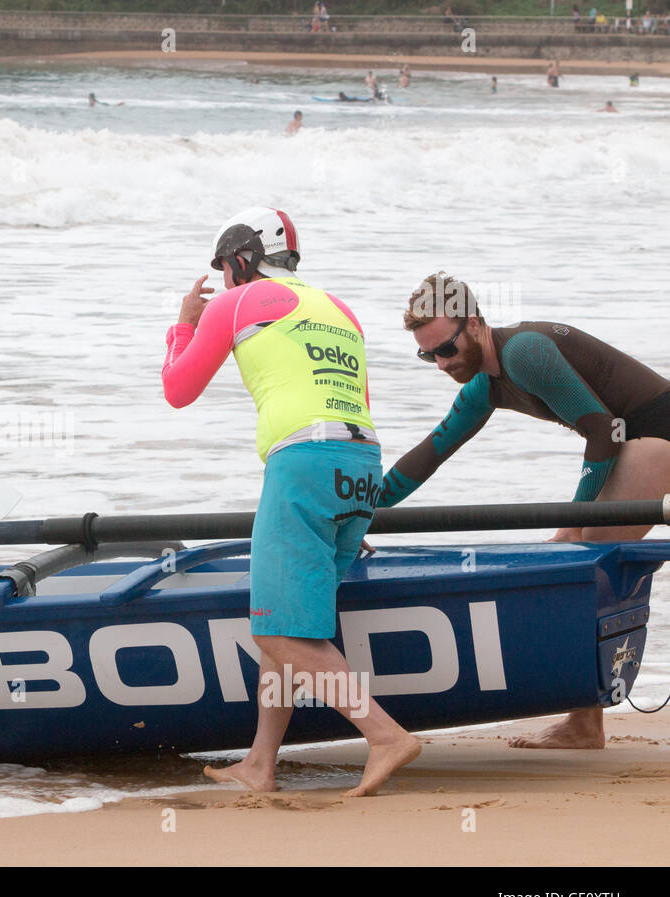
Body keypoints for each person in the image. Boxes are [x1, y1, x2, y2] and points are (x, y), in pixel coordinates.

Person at [161, 208, 421, 796]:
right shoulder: (339, 311)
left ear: (240, 261)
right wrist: (349, 512)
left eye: (226, 269)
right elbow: (358, 400)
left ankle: (384, 735)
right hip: (360, 465)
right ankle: (260, 764)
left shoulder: (234, 303)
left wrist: (182, 325)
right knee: (292, 632)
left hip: (303, 462)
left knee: (277, 634)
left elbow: (178, 389)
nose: (225, 280)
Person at [376, 272, 670, 750]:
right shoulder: (484, 387)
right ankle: (584, 722)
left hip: (654, 441)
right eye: (428, 355)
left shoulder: (523, 353)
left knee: (579, 562)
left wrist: (574, 522)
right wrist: (360, 509)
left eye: (446, 349)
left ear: (474, 324)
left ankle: (583, 725)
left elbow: (604, 429)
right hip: (637, 444)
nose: (440, 363)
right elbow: (427, 456)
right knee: (579, 560)